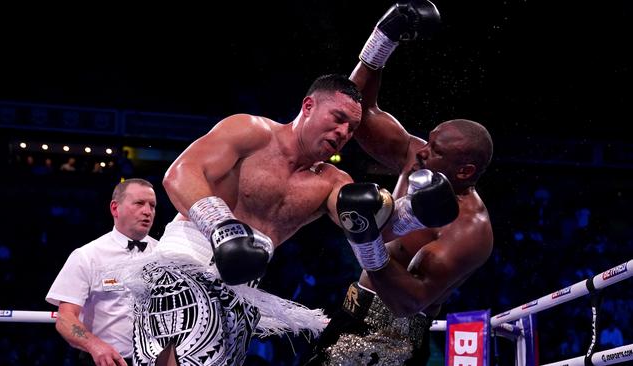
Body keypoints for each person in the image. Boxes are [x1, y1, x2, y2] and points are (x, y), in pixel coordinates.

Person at [125, 74, 459, 366]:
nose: (343, 132)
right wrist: (222, 227)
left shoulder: (331, 181)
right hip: (186, 261)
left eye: (351, 128)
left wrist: (416, 211)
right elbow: (180, 173)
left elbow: (371, 226)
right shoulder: (251, 131)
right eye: (338, 118)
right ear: (309, 106)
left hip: (243, 286)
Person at [306, 1, 495, 365]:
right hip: (352, 306)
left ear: (465, 171)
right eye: (427, 141)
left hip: (392, 336)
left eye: (436, 150)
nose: (422, 152)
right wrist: (382, 41)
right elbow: (362, 115)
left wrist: (366, 238)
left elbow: (409, 301)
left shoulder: (471, 229)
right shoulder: (418, 155)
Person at [46, 178, 158, 366]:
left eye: (152, 205)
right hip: (104, 361)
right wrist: (94, 345)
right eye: (139, 203)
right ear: (115, 208)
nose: (147, 211)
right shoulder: (87, 256)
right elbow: (65, 318)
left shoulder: (164, 254)